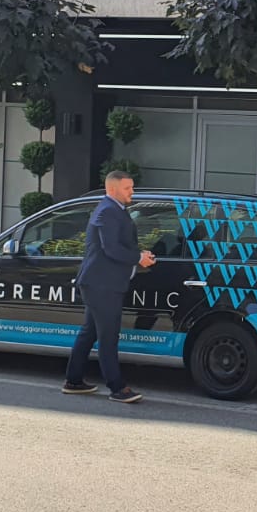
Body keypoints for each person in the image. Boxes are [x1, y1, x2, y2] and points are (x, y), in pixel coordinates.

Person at [63, 170, 154, 403]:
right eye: (127, 188)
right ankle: (117, 388)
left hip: (101, 283)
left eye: (132, 187)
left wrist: (139, 254)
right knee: (108, 336)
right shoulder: (107, 211)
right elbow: (111, 248)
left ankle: (73, 381)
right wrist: (138, 258)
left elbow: (117, 245)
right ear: (112, 189)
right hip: (101, 284)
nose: (132, 192)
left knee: (90, 332)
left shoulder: (115, 209)